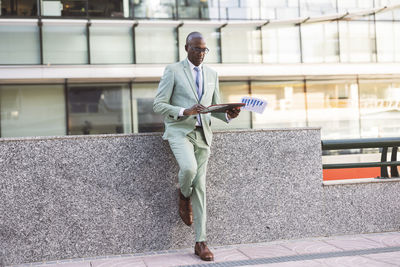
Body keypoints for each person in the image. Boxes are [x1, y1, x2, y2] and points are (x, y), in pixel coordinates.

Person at [153, 32, 240, 261]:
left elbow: (214, 108)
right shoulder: (172, 71)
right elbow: (159, 104)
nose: (200, 54)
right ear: (186, 48)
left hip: (204, 135)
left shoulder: (212, 74)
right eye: (196, 49)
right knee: (189, 170)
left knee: (200, 186)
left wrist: (229, 114)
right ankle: (183, 195)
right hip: (180, 131)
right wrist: (184, 111)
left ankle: (201, 242)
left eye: (204, 50)